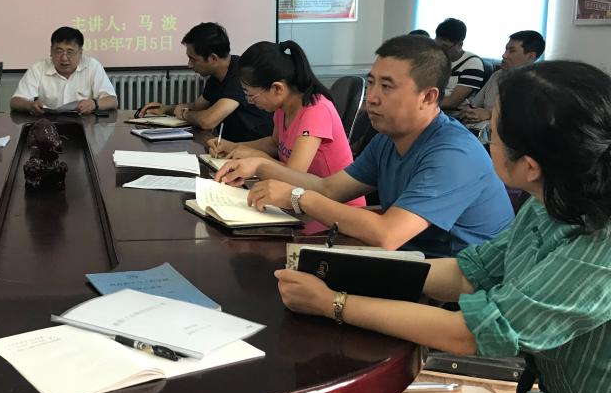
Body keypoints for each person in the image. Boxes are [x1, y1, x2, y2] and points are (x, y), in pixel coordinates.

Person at [274, 60, 611, 393]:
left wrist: (335, 303)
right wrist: (341, 271)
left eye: (492, 133)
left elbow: (471, 333)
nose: (484, 139)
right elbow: (467, 273)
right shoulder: (553, 203)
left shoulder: (599, 248)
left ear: (529, 166)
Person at [216, 35, 513, 257]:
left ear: (428, 97)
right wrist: (262, 166)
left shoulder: (454, 153)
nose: (371, 97)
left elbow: (388, 234)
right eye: (371, 83)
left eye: (387, 86)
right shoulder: (388, 139)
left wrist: (297, 197)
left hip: (461, 291)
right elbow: (330, 189)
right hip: (412, 260)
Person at [204, 40, 366, 208]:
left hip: (334, 209)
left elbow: (293, 175)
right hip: (302, 201)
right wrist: (233, 146)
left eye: (251, 95)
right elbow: (274, 143)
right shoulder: (284, 106)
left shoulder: (316, 111)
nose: (250, 101)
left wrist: (257, 160)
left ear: (277, 88)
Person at [137, 22, 274, 142]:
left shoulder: (240, 75)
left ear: (213, 58)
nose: (189, 65)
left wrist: (184, 114)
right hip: (231, 147)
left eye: (193, 59)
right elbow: (197, 106)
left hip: (254, 149)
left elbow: (208, 121)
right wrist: (165, 109)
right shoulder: (216, 76)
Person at [10, 27, 118, 115]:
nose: (64, 58)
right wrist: (30, 105)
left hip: (84, 125)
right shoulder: (38, 68)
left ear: (80, 53)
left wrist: (94, 104)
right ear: (51, 51)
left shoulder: (92, 66)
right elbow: (15, 102)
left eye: (70, 52)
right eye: (59, 51)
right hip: (48, 124)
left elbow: (112, 101)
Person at [459, 30, 544, 137]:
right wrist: (469, 111)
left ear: (531, 56)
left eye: (512, 51)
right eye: (505, 49)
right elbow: (475, 104)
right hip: (474, 131)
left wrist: (490, 114)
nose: (504, 55)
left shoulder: (539, 84)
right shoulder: (497, 75)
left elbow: (525, 122)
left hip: (501, 138)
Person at [434, 17, 485, 112]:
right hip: (432, 109)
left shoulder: (472, 63)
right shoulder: (436, 58)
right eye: (437, 46)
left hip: (452, 115)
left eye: (445, 47)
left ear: (460, 44)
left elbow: (453, 102)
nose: (440, 51)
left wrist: (423, 103)